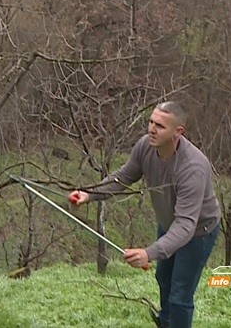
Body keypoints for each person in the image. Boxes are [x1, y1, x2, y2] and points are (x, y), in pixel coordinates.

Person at [68, 101, 220, 328]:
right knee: (163, 280)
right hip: (170, 226)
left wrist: (149, 253)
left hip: (198, 232)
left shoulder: (193, 168)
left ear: (178, 132)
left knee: (180, 296)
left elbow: (186, 225)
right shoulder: (146, 146)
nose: (152, 129)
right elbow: (124, 176)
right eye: (150, 122)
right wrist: (89, 194)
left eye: (160, 126)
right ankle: (166, 322)